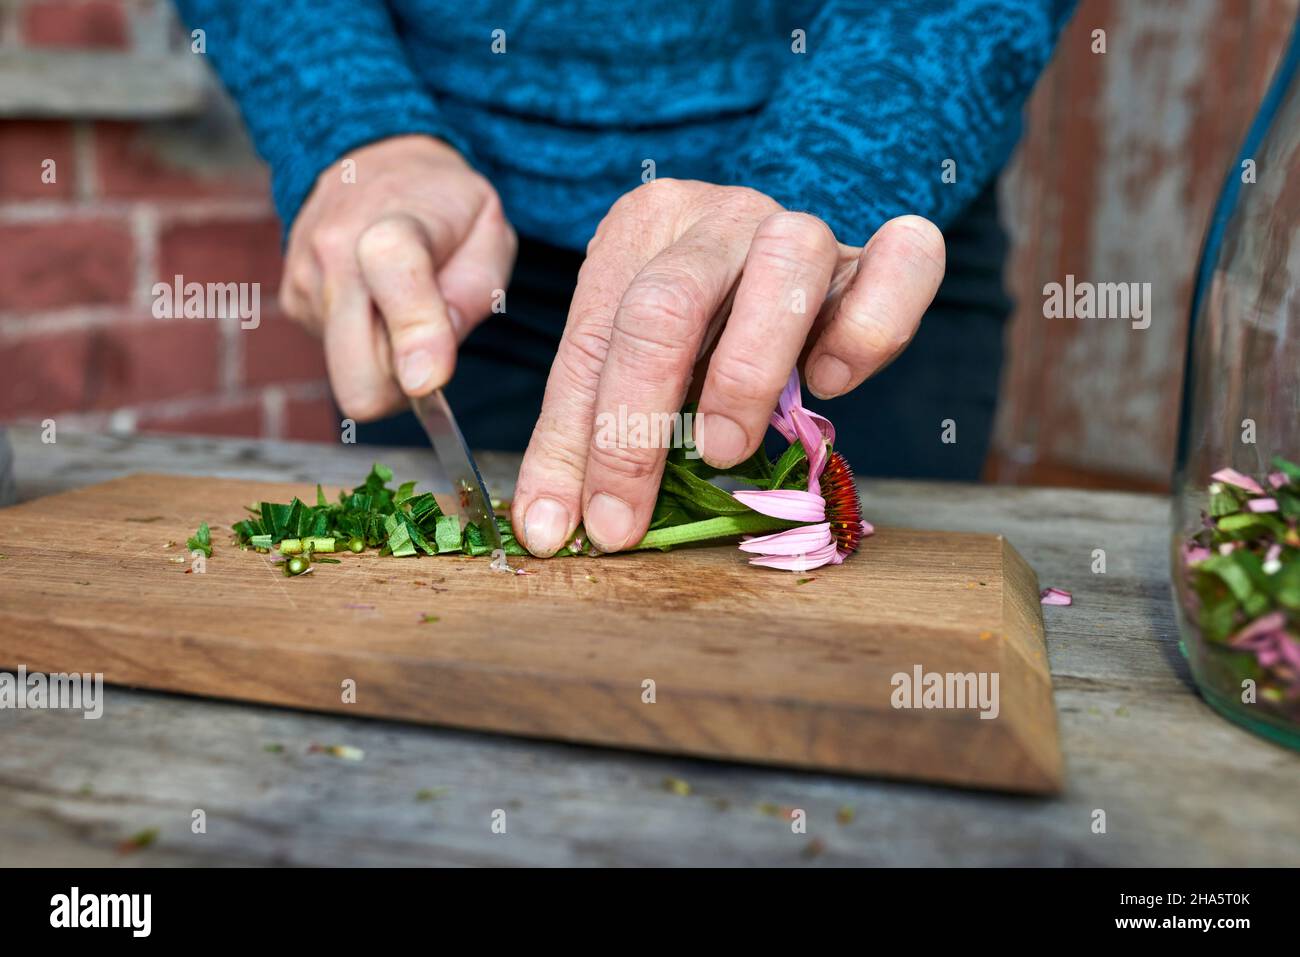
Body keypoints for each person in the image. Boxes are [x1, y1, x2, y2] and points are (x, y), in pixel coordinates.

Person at [175, 0, 1076, 556]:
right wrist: (350, 124)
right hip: (465, 258)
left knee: (852, 683)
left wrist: (826, 180)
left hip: (839, 248)